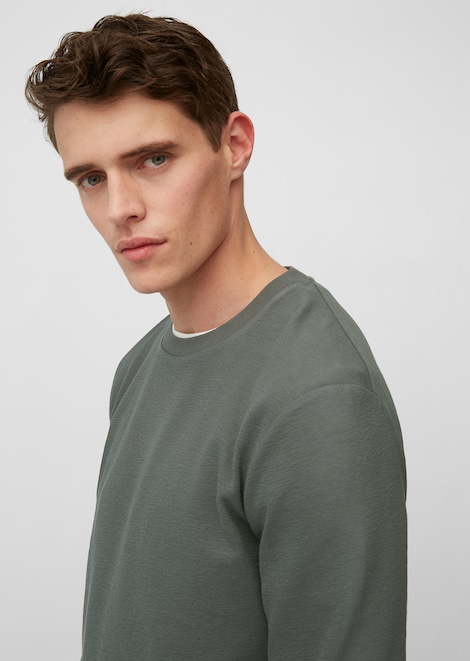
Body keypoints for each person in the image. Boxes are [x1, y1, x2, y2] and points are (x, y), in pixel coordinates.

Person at [25, 13, 407, 660]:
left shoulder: (318, 395)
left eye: (153, 159)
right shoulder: (138, 368)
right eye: (91, 177)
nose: (120, 208)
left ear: (234, 145)